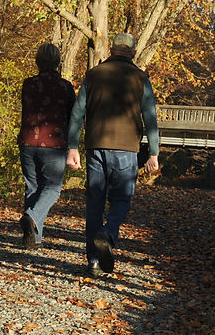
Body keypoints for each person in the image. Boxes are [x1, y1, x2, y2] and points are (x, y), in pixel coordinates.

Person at [66, 32, 160, 277]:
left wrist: (72, 146)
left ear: (111, 49)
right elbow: (150, 117)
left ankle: (93, 261)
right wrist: (154, 152)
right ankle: (108, 234)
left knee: (95, 203)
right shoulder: (140, 78)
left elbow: (77, 113)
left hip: (95, 146)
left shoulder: (94, 74)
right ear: (134, 52)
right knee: (121, 200)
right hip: (126, 149)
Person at [18, 43, 76, 249]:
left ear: (37, 61)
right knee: (52, 188)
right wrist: (73, 144)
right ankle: (31, 217)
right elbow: (73, 116)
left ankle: (34, 238)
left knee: (32, 187)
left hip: (27, 141)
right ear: (57, 62)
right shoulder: (65, 87)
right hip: (53, 142)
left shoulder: (28, 84)